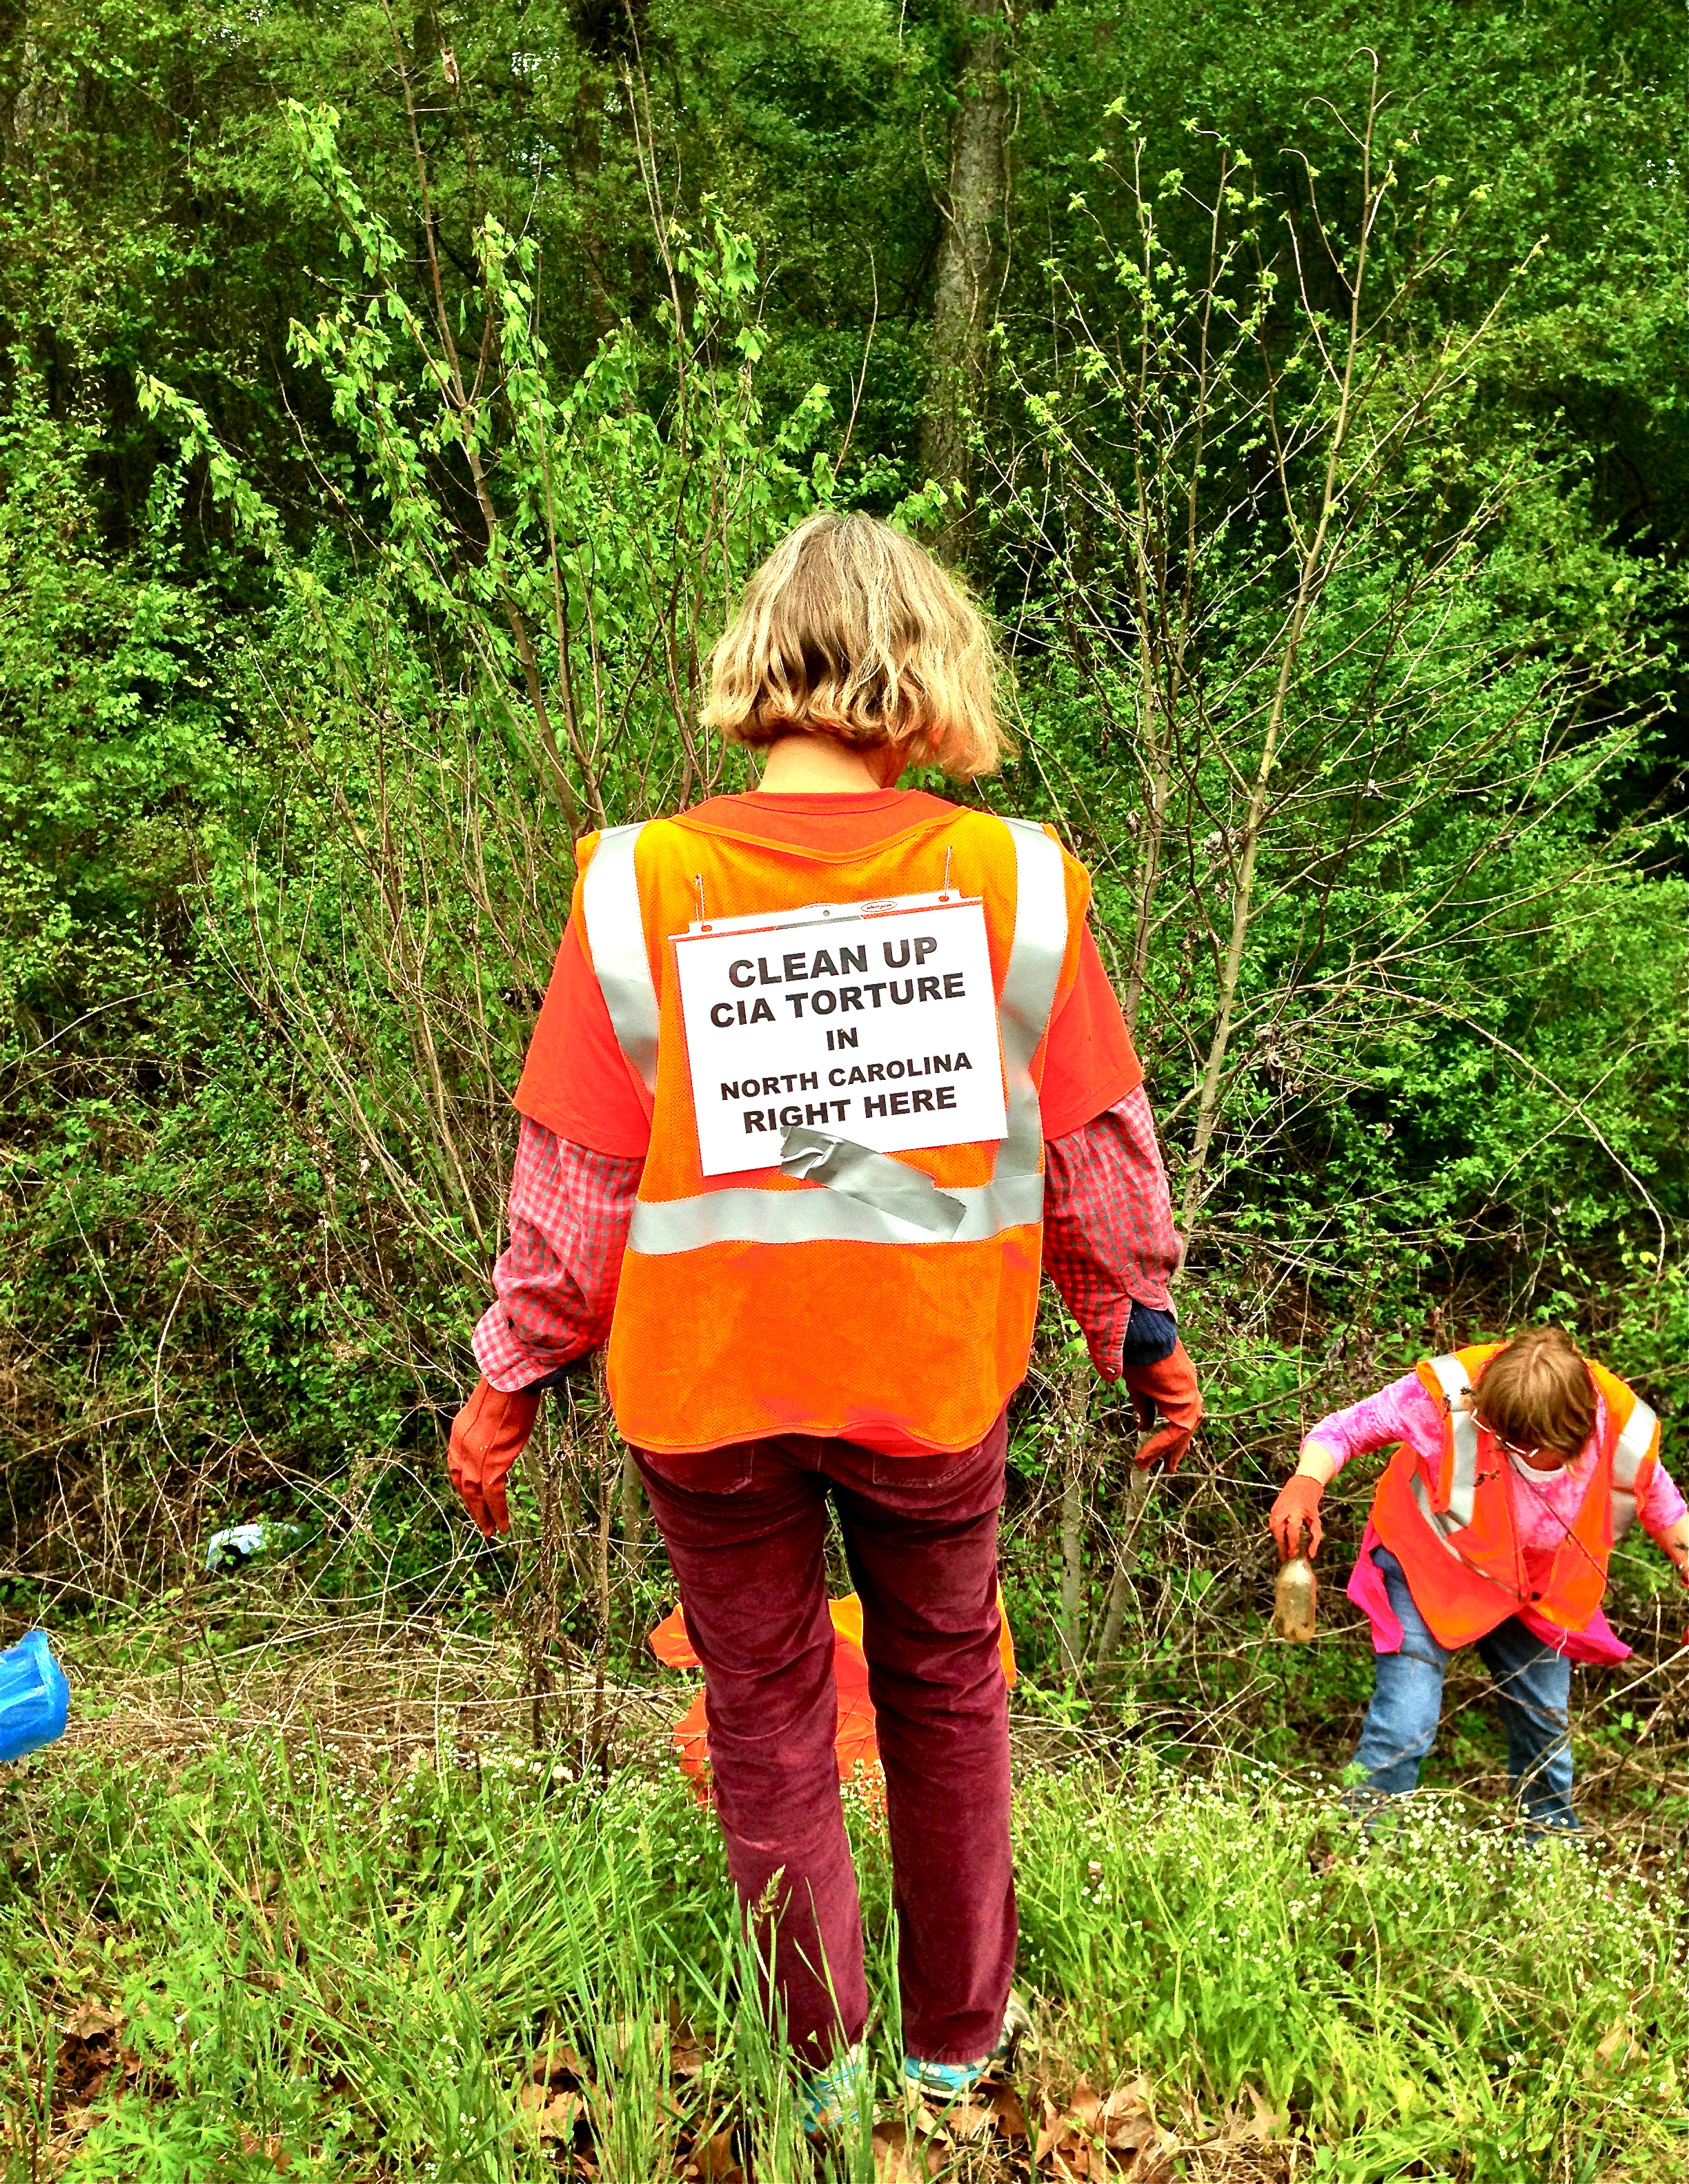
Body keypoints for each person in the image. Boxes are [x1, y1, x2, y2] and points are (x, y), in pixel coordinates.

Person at [448, 511, 1201, 2127]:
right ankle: (951, 2045)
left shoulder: (637, 884)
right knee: (944, 1688)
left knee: (766, 1710)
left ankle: (821, 2072)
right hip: (927, 1388)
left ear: (751, 673)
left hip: (708, 1401)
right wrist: (1133, 1329)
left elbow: (568, 1190)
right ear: (925, 676)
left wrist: (508, 1380)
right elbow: (1096, 1163)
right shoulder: (1018, 882)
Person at [1269, 1326, 1687, 1830]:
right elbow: (1344, 1430)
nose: (1507, 1452)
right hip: (1429, 1569)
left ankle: (1548, 1855)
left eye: (1524, 1448)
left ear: (1571, 1437)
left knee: (1546, 1737)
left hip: (1537, 1592)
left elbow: (1663, 1506)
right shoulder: (1451, 1395)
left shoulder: (1621, 1432)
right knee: (1405, 1725)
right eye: (1501, 1438)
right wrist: (1305, 1483)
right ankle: (1363, 1851)